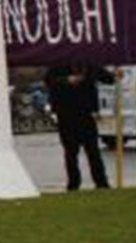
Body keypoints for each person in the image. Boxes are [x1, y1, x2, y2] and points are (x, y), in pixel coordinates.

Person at [44, 62, 113, 191]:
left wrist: (117, 74)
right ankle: (73, 184)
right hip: (66, 115)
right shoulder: (59, 64)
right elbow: (49, 80)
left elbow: (108, 78)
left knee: (93, 151)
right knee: (71, 153)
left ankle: (101, 182)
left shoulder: (90, 64)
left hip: (86, 114)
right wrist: (67, 80)